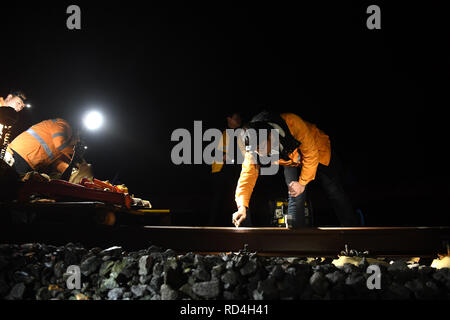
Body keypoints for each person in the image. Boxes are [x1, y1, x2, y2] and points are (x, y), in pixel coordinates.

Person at [232, 111, 360, 228]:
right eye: (257, 151)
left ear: (270, 135)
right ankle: (298, 236)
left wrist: (303, 182)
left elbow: (311, 154)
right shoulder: (253, 149)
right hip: (291, 161)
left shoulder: (292, 123)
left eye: (263, 147)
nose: (262, 154)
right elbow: (246, 176)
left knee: (334, 191)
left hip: (318, 152)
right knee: (295, 195)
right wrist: (241, 206)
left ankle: (352, 228)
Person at [208, 111, 249, 226]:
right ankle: (212, 227)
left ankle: (238, 224)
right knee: (218, 200)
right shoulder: (222, 132)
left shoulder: (241, 132)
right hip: (219, 170)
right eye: (235, 118)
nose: (238, 120)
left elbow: (243, 152)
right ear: (229, 119)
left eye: (239, 119)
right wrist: (223, 156)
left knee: (235, 198)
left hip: (233, 169)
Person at [6, 118, 79, 178]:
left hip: (28, 160)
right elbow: (59, 143)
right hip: (21, 153)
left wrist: (74, 173)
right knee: (11, 184)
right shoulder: (62, 124)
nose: (76, 144)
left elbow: (57, 163)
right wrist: (78, 158)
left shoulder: (64, 148)